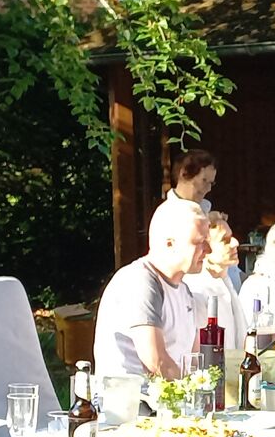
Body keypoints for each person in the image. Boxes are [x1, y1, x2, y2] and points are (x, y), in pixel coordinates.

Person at [94, 200, 207, 379]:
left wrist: (198, 387)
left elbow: (193, 361)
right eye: (199, 242)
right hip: (132, 395)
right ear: (169, 244)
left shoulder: (184, 290)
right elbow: (156, 362)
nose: (208, 250)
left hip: (169, 395)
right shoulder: (140, 281)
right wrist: (189, 391)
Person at [184, 211, 247, 343]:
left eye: (232, 237)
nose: (235, 243)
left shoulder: (225, 282)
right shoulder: (196, 291)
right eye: (224, 240)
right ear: (204, 248)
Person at [161, 148, 217, 215]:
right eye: (204, 180)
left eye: (211, 183)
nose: (209, 189)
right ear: (184, 174)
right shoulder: (168, 213)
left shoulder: (203, 208)